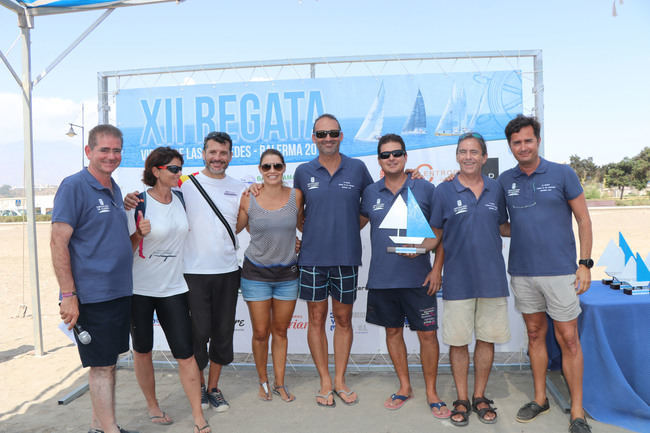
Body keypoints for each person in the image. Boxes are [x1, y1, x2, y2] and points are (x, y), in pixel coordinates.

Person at [125, 131, 246, 413]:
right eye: (212, 152)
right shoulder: (186, 184)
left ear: (230, 155)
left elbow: (239, 224)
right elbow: (156, 190)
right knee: (197, 335)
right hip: (191, 274)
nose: (218, 158)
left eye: (223, 153)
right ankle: (200, 388)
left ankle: (214, 388)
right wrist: (131, 199)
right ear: (203, 154)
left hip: (228, 271)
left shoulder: (240, 187)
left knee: (223, 334)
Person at [497, 115, 593, 433]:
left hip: (561, 273)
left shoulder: (563, 173)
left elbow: (583, 220)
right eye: (516, 142)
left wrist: (585, 264)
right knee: (535, 336)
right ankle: (541, 399)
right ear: (510, 146)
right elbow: (499, 224)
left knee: (569, 340)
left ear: (538, 141)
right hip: (523, 273)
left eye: (528, 140)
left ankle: (577, 411)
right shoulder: (504, 181)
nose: (522, 147)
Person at [51, 124, 138, 433]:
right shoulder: (74, 186)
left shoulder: (113, 187)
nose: (111, 156)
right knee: (101, 367)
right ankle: (110, 429)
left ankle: (98, 427)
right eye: (104, 149)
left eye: (116, 150)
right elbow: (58, 241)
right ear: (88, 151)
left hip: (117, 292)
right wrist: (68, 294)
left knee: (108, 363)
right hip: (91, 295)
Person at [360, 134, 450, 419]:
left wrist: (437, 269)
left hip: (419, 280)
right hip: (382, 280)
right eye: (385, 155)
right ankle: (404, 386)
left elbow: (440, 232)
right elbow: (350, 223)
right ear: (379, 160)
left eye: (397, 153)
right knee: (392, 332)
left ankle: (432, 392)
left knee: (428, 336)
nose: (392, 158)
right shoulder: (371, 193)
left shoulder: (425, 188)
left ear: (405, 156)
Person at [429, 132, 511, 427]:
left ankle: (479, 396)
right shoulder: (443, 191)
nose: (468, 157)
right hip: (458, 281)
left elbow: (504, 227)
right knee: (459, 342)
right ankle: (462, 398)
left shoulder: (497, 189)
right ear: (457, 156)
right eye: (462, 152)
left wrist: (542, 224)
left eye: (474, 152)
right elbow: (436, 236)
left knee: (486, 339)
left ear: (484, 157)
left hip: (492, 279)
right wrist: (416, 250)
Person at [127, 147, 210, 433]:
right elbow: (123, 250)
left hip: (174, 288)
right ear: (156, 171)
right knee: (143, 351)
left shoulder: (181, 198)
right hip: (140, 290)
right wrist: (138, 233)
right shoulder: (136, 203)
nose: (179, 174)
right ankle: (152, 406)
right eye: (174, 169)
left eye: (180, 169)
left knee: (185, 354)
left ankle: (198, 414)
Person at [293, 113, 374, 407]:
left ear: (341, 136)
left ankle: (340, 380)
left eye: (333, 133)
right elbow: (297, 213)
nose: (328, 138)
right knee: (315, 319)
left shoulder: (358, 168)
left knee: (342, 319)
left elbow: (372, 206)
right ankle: (324, 381)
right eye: (322, 134)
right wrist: (312, 231)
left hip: (347, 257)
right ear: (314, 138)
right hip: (312, 259)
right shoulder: (303, 171)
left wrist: (349, 229)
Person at [236, 149, 304, 402]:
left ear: (284, 168)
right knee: (261, 333)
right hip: (255, 274)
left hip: (287, 275)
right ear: (260, 169)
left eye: (277, 166)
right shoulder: (248, 197)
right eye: (267, 167)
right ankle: (263, 381)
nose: (272, 171)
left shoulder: (296, 196)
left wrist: (298, 242)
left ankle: (279, 383)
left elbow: (304, 225)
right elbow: (233, 227)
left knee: (281, 332)